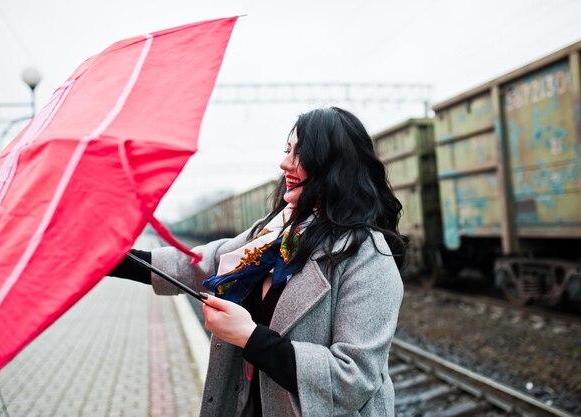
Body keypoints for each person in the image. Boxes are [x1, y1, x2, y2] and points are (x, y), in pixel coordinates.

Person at [110, 107, 405, 417]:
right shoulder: (274, 233)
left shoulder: (367, 255)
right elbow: (201, 264)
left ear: (332, 166)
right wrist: (108, 259)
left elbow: (354, 378)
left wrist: (250, 337)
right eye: (287, 150)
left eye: (300, 155)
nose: (285, 164)